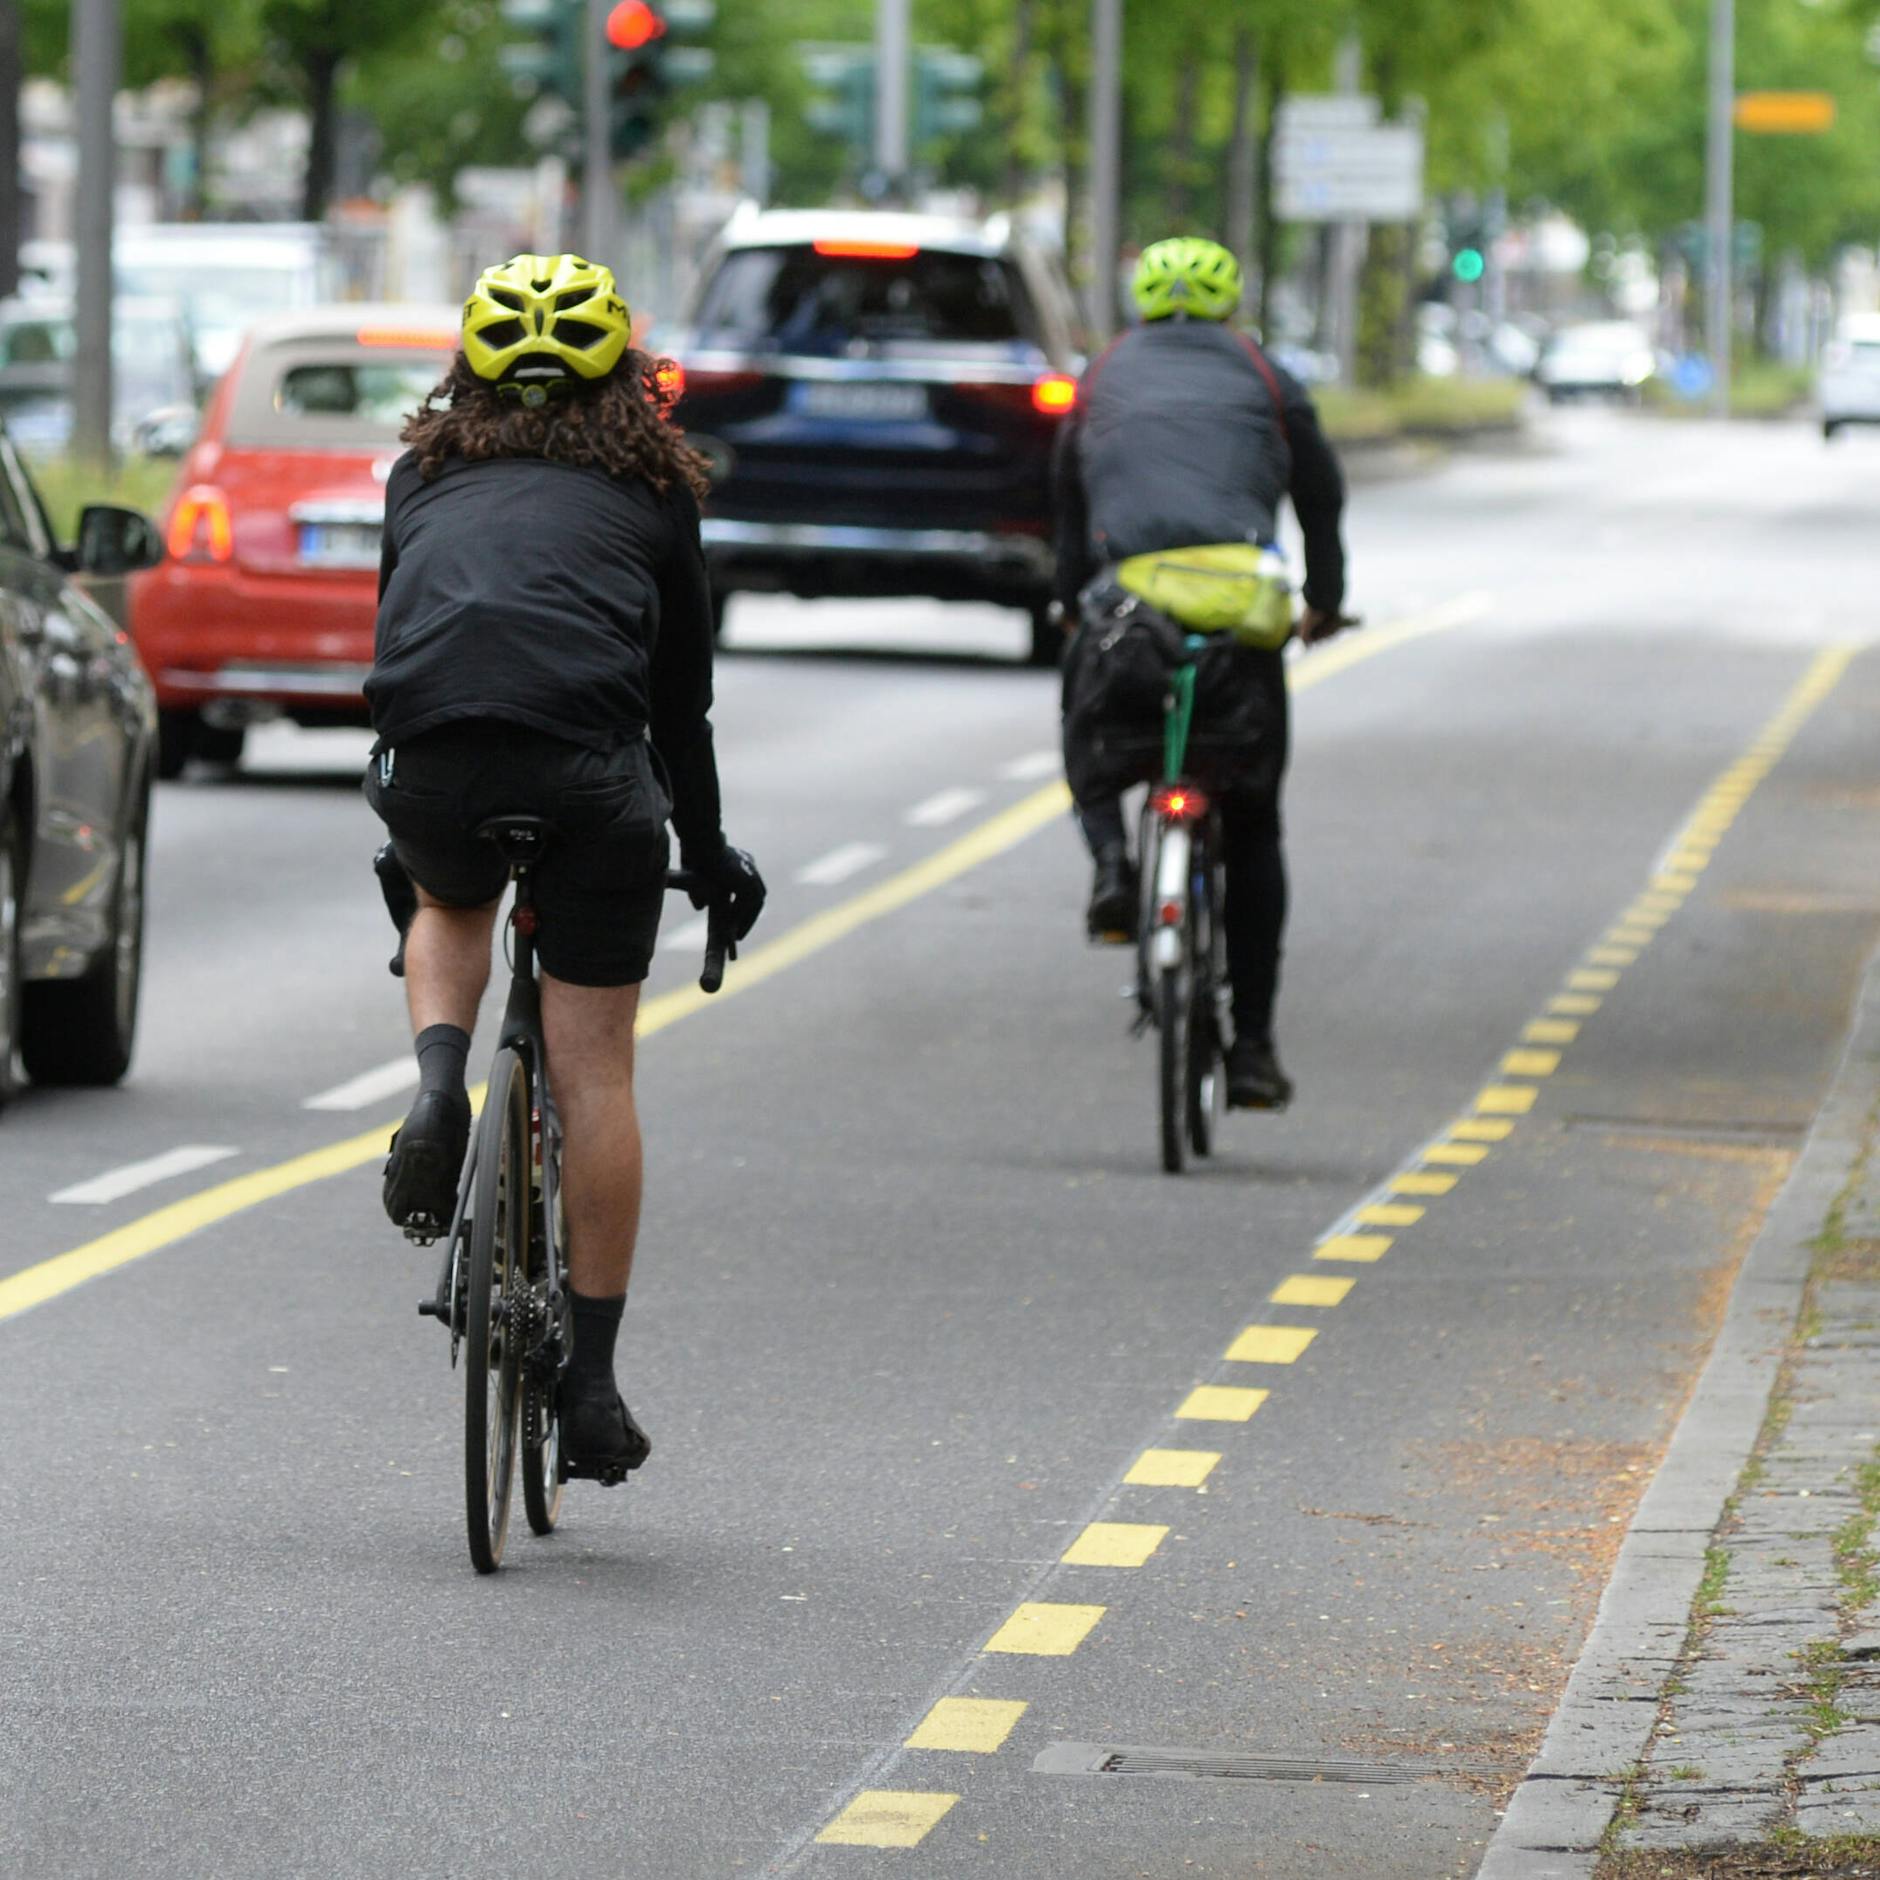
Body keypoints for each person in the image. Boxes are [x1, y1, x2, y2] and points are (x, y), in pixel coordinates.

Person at [364, 253, 766, 1481]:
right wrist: (704, 852)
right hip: (591, 780)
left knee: (445, 892)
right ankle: (589, 1386)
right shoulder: (651, 494)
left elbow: (403, 625)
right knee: (594, 1075)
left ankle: (439, 1083)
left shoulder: (419, 471)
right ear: (624, 374)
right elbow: (679, 706)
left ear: (470, 370)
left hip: (431, 760)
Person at [1053, 236, 1350, 1112]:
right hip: (1240, 623)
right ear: (1230, 304)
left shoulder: (1101, 375)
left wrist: (1073, 598)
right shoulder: (1266, 376)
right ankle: (1253, 1048)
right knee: (1254, 825)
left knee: (1094, 735)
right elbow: (1322, 494)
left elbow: (1067, 493)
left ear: (1140, 301)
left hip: (1128, 613)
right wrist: (1324, 602)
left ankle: (1113, 867)